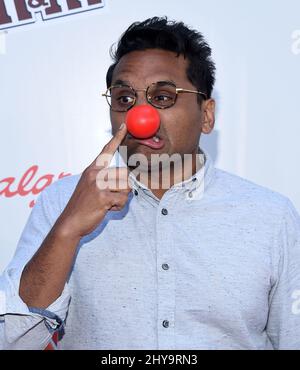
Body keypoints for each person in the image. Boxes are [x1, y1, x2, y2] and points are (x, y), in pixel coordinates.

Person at [1, 16, 300, 350]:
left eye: (162, 97)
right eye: (125, 98)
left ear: (206, 115)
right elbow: (14, 342)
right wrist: (67, 230)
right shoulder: (62, 202)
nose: (141, 117)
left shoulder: (271, 216)